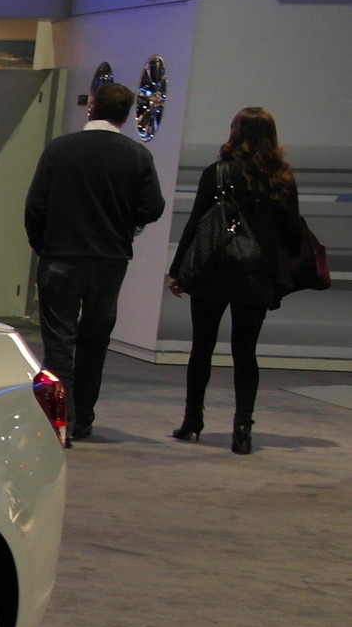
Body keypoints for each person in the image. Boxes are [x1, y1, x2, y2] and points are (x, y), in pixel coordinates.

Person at [25, 81, 164, 440]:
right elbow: (153, 207)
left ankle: (60, 422)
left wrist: (44, 246)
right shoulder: (136, 155)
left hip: (61, 257)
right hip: (109, 260)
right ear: (127, 114)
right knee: (95, 341)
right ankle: (83, 418)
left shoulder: (60, 150)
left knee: (58, 343)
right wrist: (123, 222)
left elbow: (35, 206)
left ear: (92, 108)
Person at [168, 107, 302, 454]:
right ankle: (242, 427)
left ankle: (192, 420)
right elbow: (292, 233)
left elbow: (197, 224)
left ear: (236, 133)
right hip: (256, 276)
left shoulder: (216, 174)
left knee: (202, 348)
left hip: (214, 271)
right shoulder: (282, 179)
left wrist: (177, 268)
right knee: (246, 354)